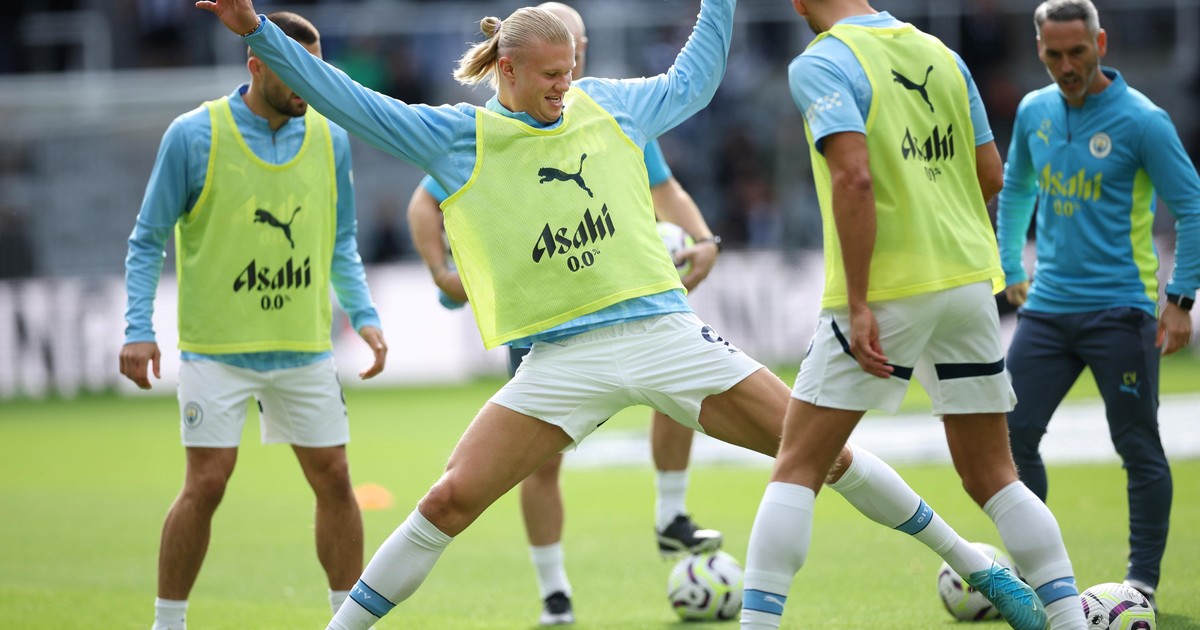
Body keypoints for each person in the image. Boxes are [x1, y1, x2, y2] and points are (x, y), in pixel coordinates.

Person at [197, 1, 1043, 628]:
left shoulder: (611, 105)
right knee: (449, 501)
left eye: (571, 69)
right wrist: (257, 32)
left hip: (664, 335)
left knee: (824, 455)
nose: (565, 85)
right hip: (561, 362)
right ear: (507, 71)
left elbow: (694, 79)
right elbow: (346, 98)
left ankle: (980, 569)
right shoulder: (455, 139)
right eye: (551, 75)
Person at [740, 1, 1087, 629]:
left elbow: (854, 179)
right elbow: (990, 173)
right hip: (967, 281)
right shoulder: (941, 53)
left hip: (890, 287)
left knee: (797, 468)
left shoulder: (823, 62)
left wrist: (859, 302)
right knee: (993, 475)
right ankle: (1070, 619)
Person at [405, 3, 722, 624]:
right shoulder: (494, 131)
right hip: (548, 321)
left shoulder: (607, 111)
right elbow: (425, 202)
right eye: (560, 59)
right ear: (522, 64)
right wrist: (445, 275)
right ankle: (555, 592)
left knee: (683, 386)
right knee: (539, 464)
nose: (572, 69)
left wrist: (704, 239)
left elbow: (664, 188)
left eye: (577, 54)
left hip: (621, 304)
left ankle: (671, 512)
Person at [118, 11, 388, 630]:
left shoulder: (330, 136)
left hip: (303, 348)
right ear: (257, 65)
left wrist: (364, 313)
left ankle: (345, 622)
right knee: (207, 483)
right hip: (217, 350)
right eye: (297, 70)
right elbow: (147, 239)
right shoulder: (193, 135)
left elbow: (341, 239)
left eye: (318, 71)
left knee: (335, 478)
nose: (311, 84)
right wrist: (137, 328)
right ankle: (168, 624)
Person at [997, 0, 1200, 612]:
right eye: (1054, 54)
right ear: (1039, 49)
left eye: (1077, 52)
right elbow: (1017, 187)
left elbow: (1191, 206)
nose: (1066, 66)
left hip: (1121, 311)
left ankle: (1142, 583)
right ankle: (1038, 576)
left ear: (1101, 44)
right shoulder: (1033, 111)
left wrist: (1180, 299)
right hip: (1047, 309)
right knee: (1011, 435)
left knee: (1137, 445)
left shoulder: (1143, 122)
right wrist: (1011, 265)